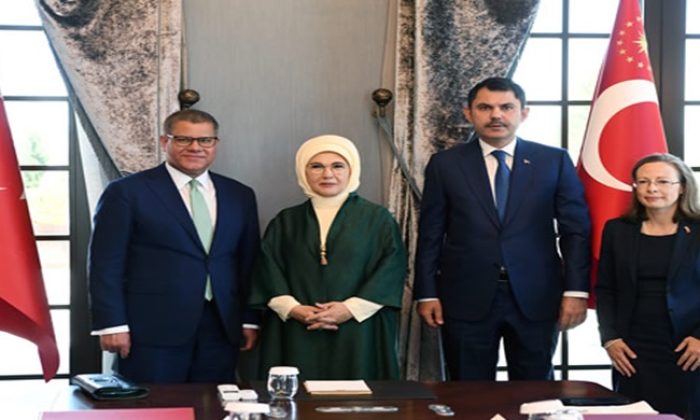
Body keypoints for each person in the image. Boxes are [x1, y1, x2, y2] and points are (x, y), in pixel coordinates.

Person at [414, 77, 591, 380]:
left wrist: (576, 290)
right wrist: (426, 293)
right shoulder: (445, 165)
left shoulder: (554, 161)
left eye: (506, 107)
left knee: (536, 393)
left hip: (537, 297)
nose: (496, 115)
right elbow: (430, 233)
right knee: (468, 394)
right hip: (465, 298)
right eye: (485, 107)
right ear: (469, 113)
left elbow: (575, 232)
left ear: (524, 113)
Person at [88, 109, 260, 383]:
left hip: (222, 326)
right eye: (183, 139)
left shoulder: (240, 195)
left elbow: (249, 262)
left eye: (205, 140)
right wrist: (111, 324)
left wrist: (249, 319)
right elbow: (105, 264)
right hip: (151, 329)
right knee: (153, 404)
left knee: (214, 403)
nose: (195, 147)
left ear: (215, 144)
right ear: (164, 141)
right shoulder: (127, 192)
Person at [249, 134, 407, 380]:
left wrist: (349, 309)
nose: (327, 174)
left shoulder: (378, 219)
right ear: (303, 171)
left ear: (352, 170)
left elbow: (391, 269)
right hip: (296, 327)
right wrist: (293, 309)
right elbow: (267, 269)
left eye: (337, 166)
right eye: (316, 166)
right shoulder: (286, 221)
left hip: (359, 328)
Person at [596, 153, 700, 418]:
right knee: (636, 413)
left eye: (663, 181)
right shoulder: (617, 230)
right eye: (643, 182)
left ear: (683, 187)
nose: (651, 188)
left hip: (688, 346)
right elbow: (605, 288)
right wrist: (610, 338)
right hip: (633, 347)